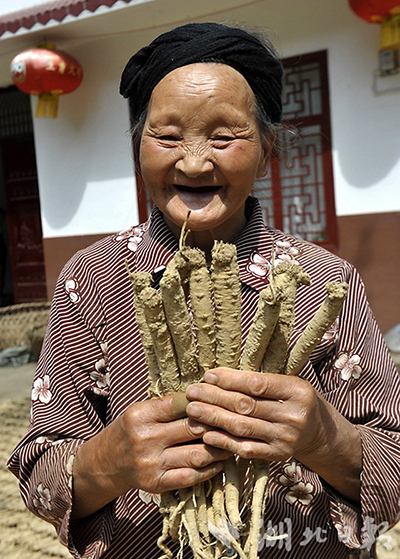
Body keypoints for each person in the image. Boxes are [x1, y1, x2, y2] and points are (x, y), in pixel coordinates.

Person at [8, 22, 400, 559]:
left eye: (224, 137)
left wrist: (325, 439)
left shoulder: (327, 281)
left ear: (265, 151)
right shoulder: (91, 278)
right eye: (167, 137)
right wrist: (110, 460)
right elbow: (39, 474)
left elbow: (394, 469)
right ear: (138, 148)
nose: (194, 162)